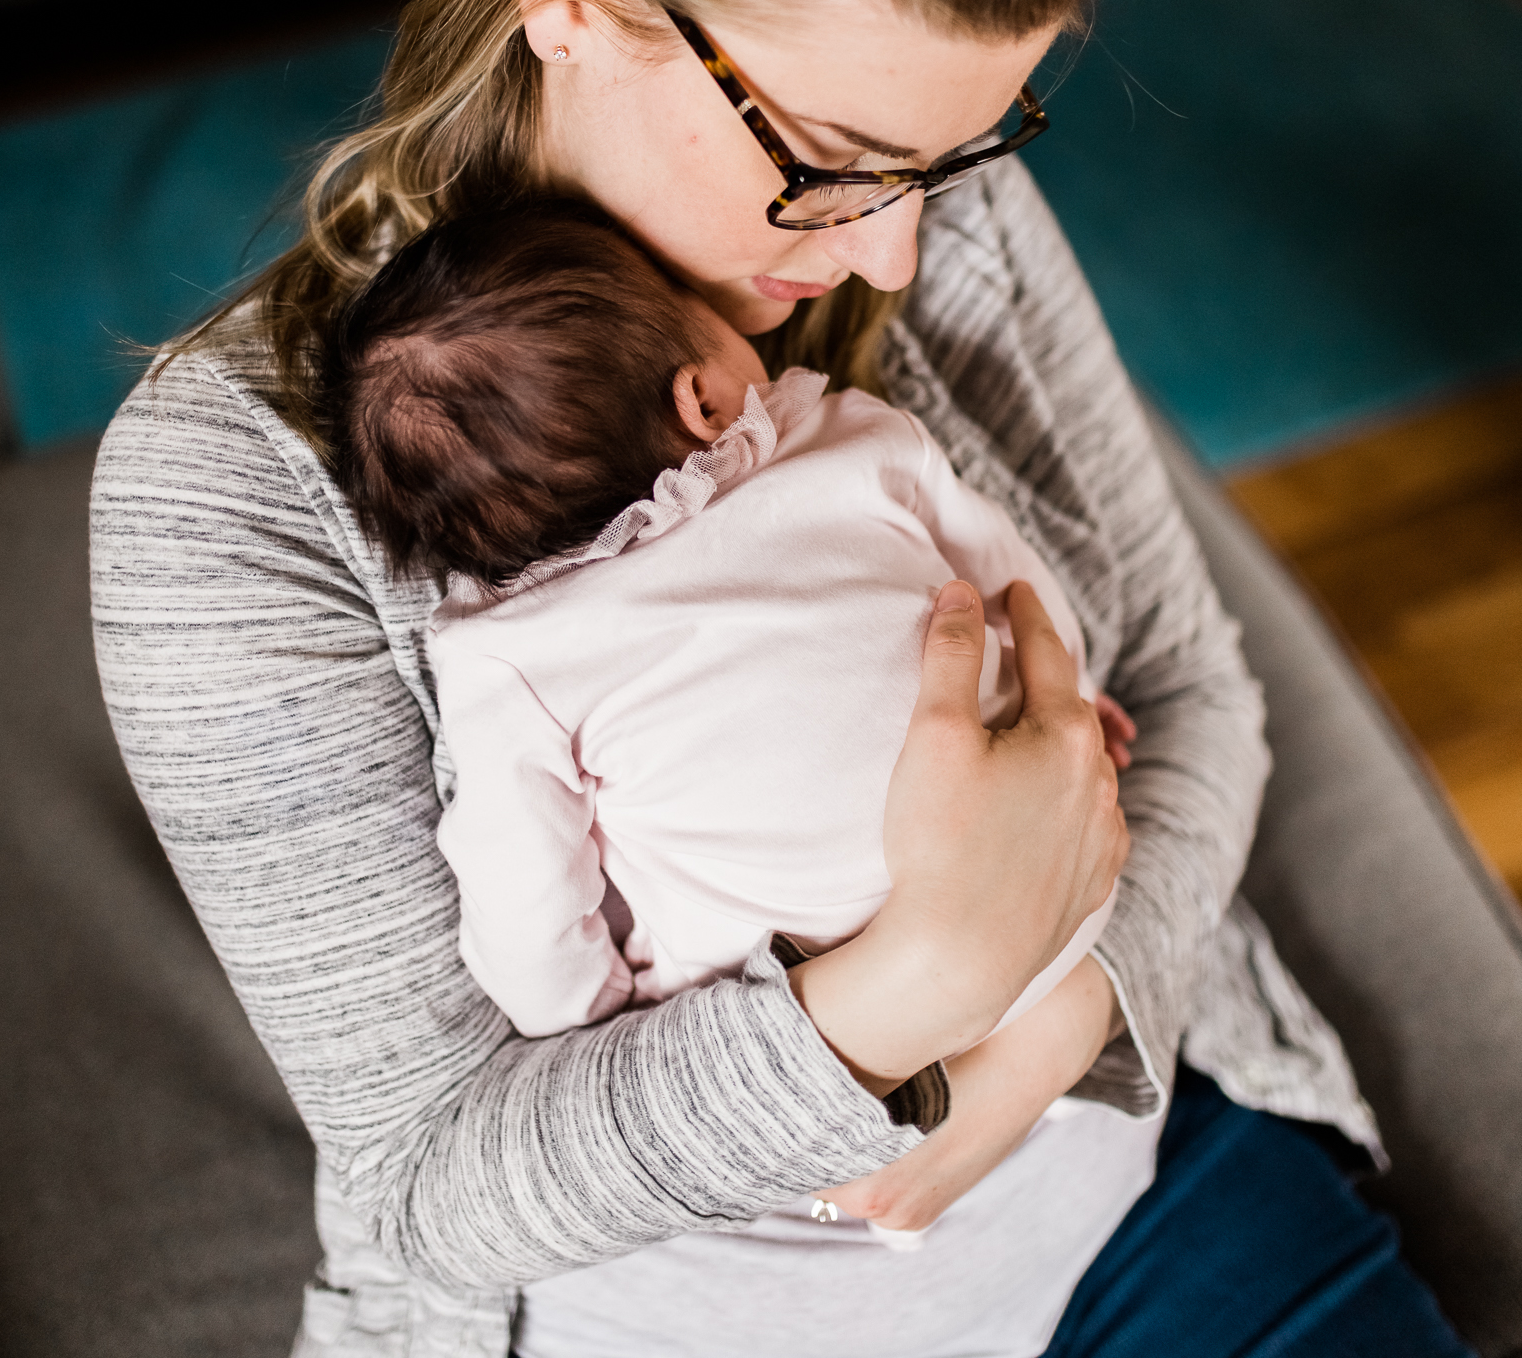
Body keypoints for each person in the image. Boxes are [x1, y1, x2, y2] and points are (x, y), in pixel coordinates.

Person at [89, 0, 1522, 1358]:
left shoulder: (934, 219)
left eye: (952, 158)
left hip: (1133, 1196)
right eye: (828, 161)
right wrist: (902, 986)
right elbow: (441, 1176)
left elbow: (1191, 683)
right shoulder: (230, 487)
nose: (896, 261)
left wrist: (1050, 1029)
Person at [321, 198, 1128, 1070]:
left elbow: (522, 891)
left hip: (802, 1022)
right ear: (700, 400)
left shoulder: (506, 657)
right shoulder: (855, 440)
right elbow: (1014, 583)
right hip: (1070, 891)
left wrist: (594, 1013)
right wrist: (1073, 703)